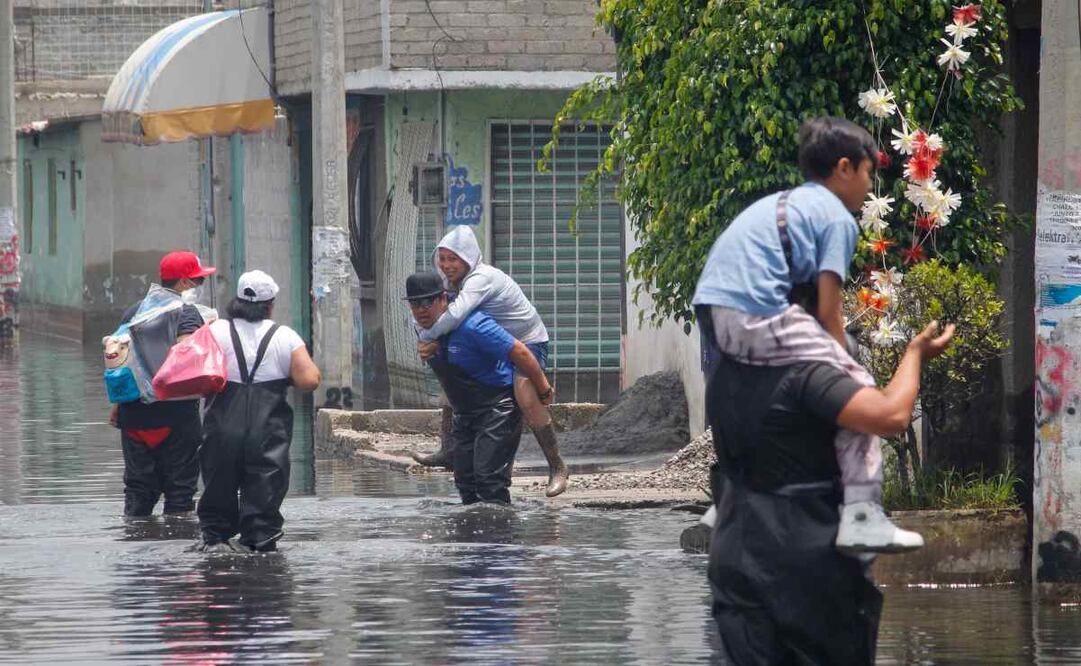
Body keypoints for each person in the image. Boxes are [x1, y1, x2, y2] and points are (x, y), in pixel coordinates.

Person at [692, 116, 918, 552]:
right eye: (869, 172)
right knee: (860, 389)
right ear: (844, 168)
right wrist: (848, 374)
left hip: (714, 311)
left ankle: (728, 500)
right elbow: (831, 313)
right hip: (753, 310)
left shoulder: (788, 203)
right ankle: (863, 514)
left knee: (767, 395)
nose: (872, 187)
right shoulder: (836, 219)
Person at [707, 319, 954, 664]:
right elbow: (892, 414)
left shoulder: (727, 372)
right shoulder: (806, 375)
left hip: (735, 550)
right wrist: (914, 354)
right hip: (802, 554)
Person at [411, 225, 568, 498]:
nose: (446, 266)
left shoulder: (479, 279)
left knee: (524, 395)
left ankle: (557, 466)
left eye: (453, 259)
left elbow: (455, 316)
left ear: (469, 259)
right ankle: (448, 449)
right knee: (451, 386)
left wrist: (543, 387)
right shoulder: (452, 285)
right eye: (443, 259)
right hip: (499, 340)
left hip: (527, 339)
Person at [197, 270, 321, 553]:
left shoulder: (215, 331)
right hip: (267, 432)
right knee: (264, 492)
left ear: (237, 300)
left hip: (221, 428)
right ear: (270, 304)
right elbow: (309, 380)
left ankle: (216, 544)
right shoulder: (285, 336)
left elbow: (193, 372)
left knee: (218, 489)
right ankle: (260, 546)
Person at [109, 250, 214, 517]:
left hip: (133, 418)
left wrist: (118, 406)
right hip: (176, 417)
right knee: (180, 493)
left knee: (137, 490)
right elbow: (188, 357)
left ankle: (135, 544)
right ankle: (176, 552)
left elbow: (119, 361)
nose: (200, 287)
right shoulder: (187, 314)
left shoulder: (133, 312)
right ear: (184, 284)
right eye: (198, 281)